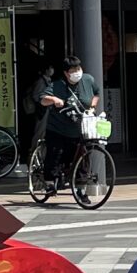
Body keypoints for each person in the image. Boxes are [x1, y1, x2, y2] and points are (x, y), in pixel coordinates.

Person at [40, 54, 98, 188]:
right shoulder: (57, 85)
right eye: (73, 70)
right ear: (66, 73)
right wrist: (54, 100)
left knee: (82, 158)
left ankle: (81, 191)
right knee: (55, 155)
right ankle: (49, 183)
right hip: (58, 128)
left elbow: (96, 93)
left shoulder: (88, 79)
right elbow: (42, 99)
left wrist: (92, 107)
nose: (77, 72)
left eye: (78, 68)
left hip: (79, 128)